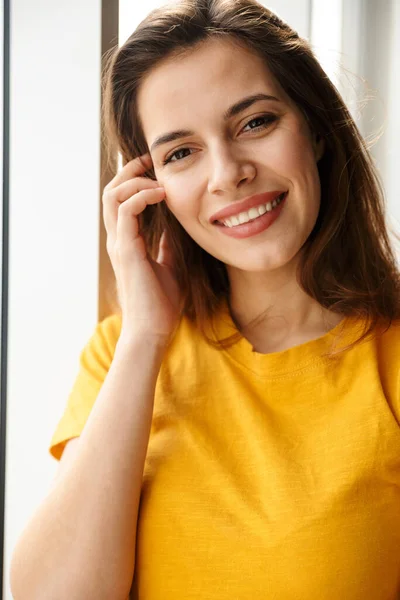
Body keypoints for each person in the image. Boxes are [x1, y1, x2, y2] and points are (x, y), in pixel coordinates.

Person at [10, 0, 400, 598]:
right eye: (181, 153)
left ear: (316, 130)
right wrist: (144, 338)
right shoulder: (121, 352)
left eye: (255, 122)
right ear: (152, 188)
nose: (226, 173)